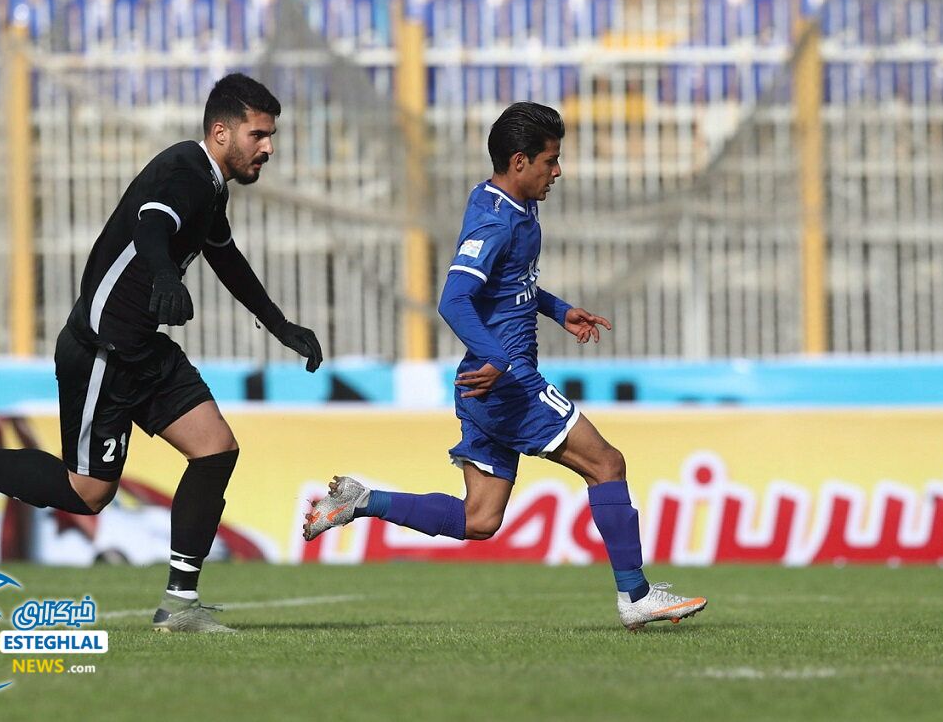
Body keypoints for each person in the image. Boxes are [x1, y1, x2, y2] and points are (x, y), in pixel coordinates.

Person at [0, 73, 322, 633]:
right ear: (221, 132)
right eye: (259, 135)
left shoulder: (210, 186)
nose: (268, 147)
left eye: (270, 136)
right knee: (89, 493)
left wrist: (278, 323)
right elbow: (151, 222)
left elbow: (226, 258)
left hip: (143, 348)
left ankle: (179, 606)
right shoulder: (182, 172)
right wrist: (167, 274)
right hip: (101, 352)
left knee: (215, 450)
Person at [302, 102, 705, 631]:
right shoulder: (496, 221)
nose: (556, 172)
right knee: (607, 464)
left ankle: (362, 500)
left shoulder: (504, 202)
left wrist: (558, 310)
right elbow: (454, 299)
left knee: (480, 520)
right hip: (507, 383)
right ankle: (636, 595)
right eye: (550, 161)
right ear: (520, 161)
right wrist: (498, 357)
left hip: (482, 385)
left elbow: (509, 286)